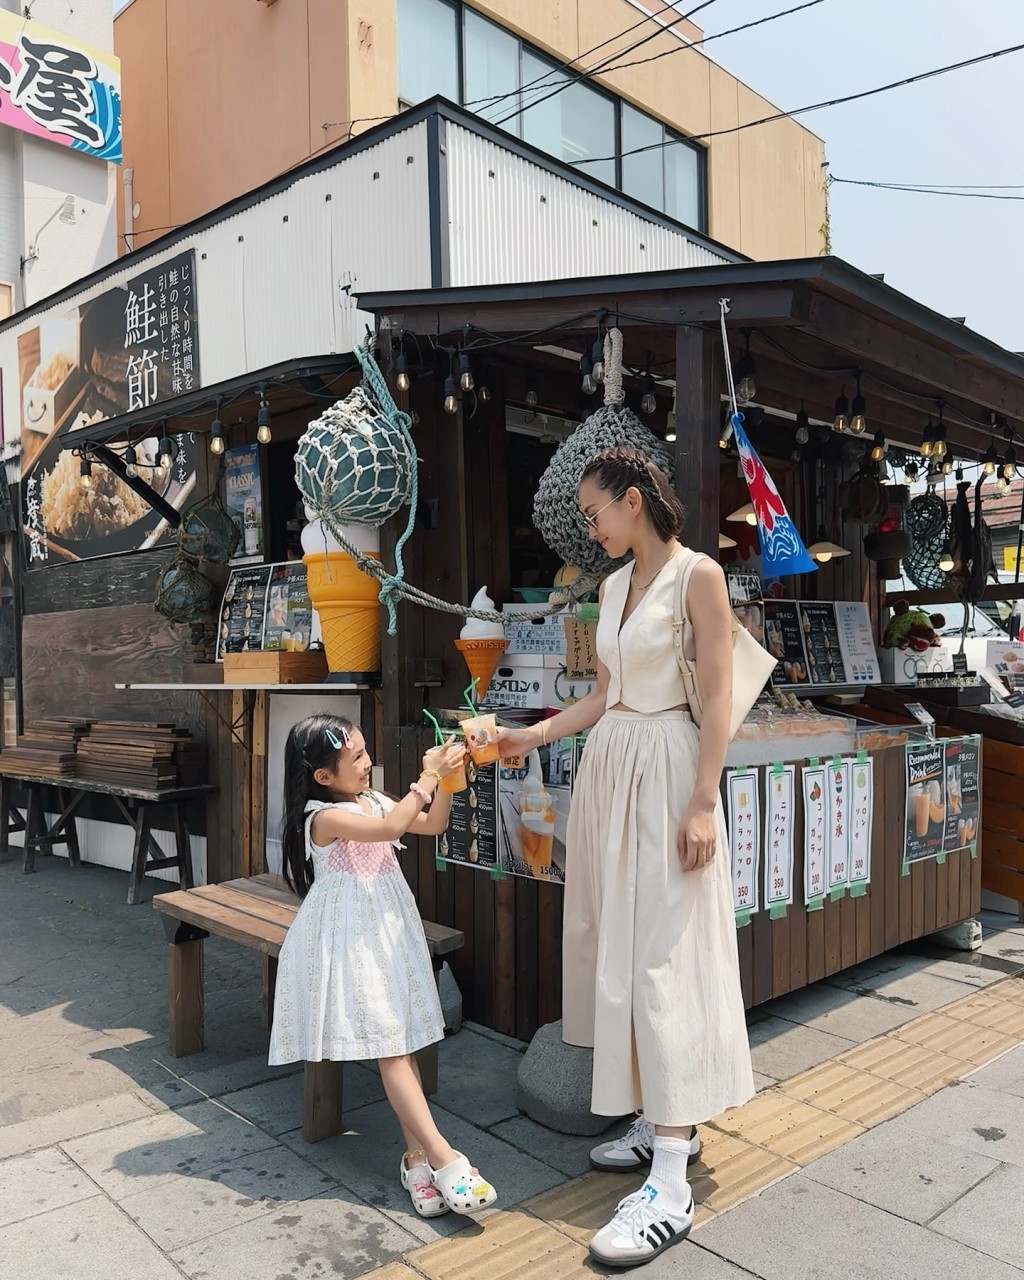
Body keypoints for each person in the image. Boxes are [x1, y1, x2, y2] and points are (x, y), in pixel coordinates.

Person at [499, 446, 754, 1267]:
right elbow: (605, 694)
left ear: (634, 501)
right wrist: (531, 733)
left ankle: (671, 1180)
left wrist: (705, 800)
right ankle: (660, 1120)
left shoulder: (697, 578)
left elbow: (715, 695)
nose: (590, 524)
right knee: (620, 946)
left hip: (672, 769)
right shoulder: (611, 587)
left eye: (596, 510)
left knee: (662, 958)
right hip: (615, 768)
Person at [270, 712, 498, 1220]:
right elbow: (393, 827)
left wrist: (448, 782)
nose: (369, 763)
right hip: (349, 940)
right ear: (322, 777)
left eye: (366, 751)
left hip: (387, 930)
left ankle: (416, 1160)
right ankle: (446, 1157)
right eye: (357, 758)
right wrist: (429, 776)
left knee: (397, 1039)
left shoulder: (371, 800)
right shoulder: (322, 817)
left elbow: (431, 823)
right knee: (392, 1048)